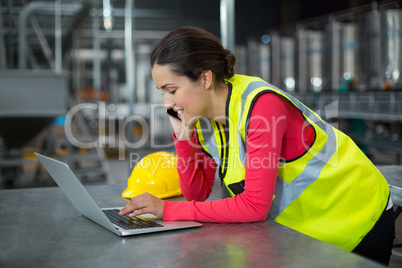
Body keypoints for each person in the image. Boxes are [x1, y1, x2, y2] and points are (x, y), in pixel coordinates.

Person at [119, 27, 395, 265]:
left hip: (357, 217)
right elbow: (197, 194)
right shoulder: (209, 118)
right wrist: (183, 138)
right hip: (312, 230)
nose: (166, 103)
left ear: (204, 78)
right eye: (163, 93)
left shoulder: (261, 106)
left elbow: (254, 206)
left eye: (171, 90)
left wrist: (166, 210)